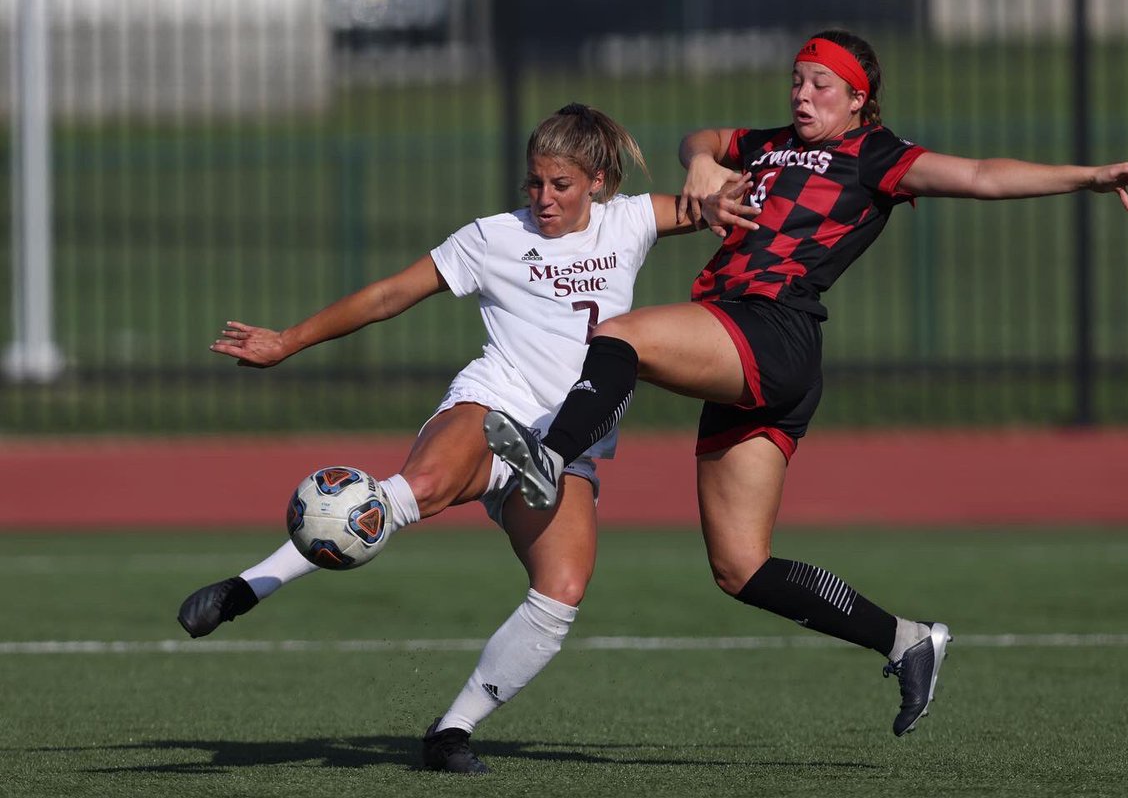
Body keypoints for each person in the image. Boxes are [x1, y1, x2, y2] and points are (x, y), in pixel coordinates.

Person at [483, 29, 1128, 738]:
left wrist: (1087, 176)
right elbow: (705, 136)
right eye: (797, 80)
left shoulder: (878, 156)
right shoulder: (768, 143)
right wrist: (700, 164)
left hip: (771, 329)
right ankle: (907, 641)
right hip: (752, 356)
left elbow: (983, 175)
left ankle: (552, 455)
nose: (803, 94)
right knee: (741, 569)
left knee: (621, 337)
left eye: (821, 86)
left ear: (858, 100)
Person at [176, 103, 730, 774]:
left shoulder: (632, 220)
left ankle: (450, 732)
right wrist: (288, 341)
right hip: (493, 408)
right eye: (534, 183)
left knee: (563, 588)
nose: (542, 198)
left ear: (599, 181)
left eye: (560, 185)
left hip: (566, 447)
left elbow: (736, 194)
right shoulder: (492, 238)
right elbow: (388, 295)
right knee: (425, 488)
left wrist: (716, 167)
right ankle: (248, 588)